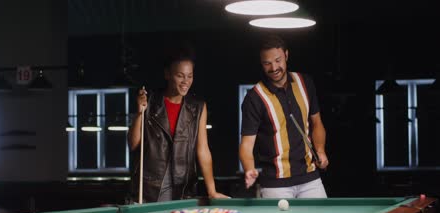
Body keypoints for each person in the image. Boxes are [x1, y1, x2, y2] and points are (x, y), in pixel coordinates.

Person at [128, 44, 228, 203]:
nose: (185, 82)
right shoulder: (150, 102)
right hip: (150, 187)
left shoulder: (198, 108)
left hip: (183, 188)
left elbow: (203, 150)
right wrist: (140, 113)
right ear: (167, 74)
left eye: (190, 76)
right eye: (180, 76)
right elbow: (134, 145)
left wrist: (212, 191)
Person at [239, 34, 329, 198]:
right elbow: (246, 144)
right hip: (275, 185)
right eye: (267, 63)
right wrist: (249, 168)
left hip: (310, 180)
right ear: (261, 63)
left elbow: (317, 123)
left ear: (286, 55)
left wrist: (321, 151)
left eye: (278, 60)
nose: (273, 67)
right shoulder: (254, 98)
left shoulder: (305, 82)